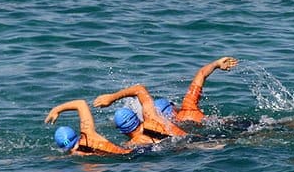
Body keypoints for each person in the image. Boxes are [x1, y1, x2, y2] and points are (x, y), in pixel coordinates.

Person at [93, 57, 239, 142]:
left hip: (204, 140)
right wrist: (216, 64)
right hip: (226, 126)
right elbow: (201, 73)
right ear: (171, 108)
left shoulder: (153, 130)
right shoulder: (189, 107)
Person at [92, 85, 187, 146]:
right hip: (192, 141)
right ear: (137, 118)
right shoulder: (153, 119)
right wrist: (111, 98)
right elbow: (139, 89)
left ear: (122, 131)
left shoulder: (132, 144)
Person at [44, 100, 132, 156]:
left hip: (129, 158)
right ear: (75, 135)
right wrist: (56, 110)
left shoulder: (78, 155)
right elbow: (80, 104)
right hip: (132, 153)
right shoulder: (88, 135)